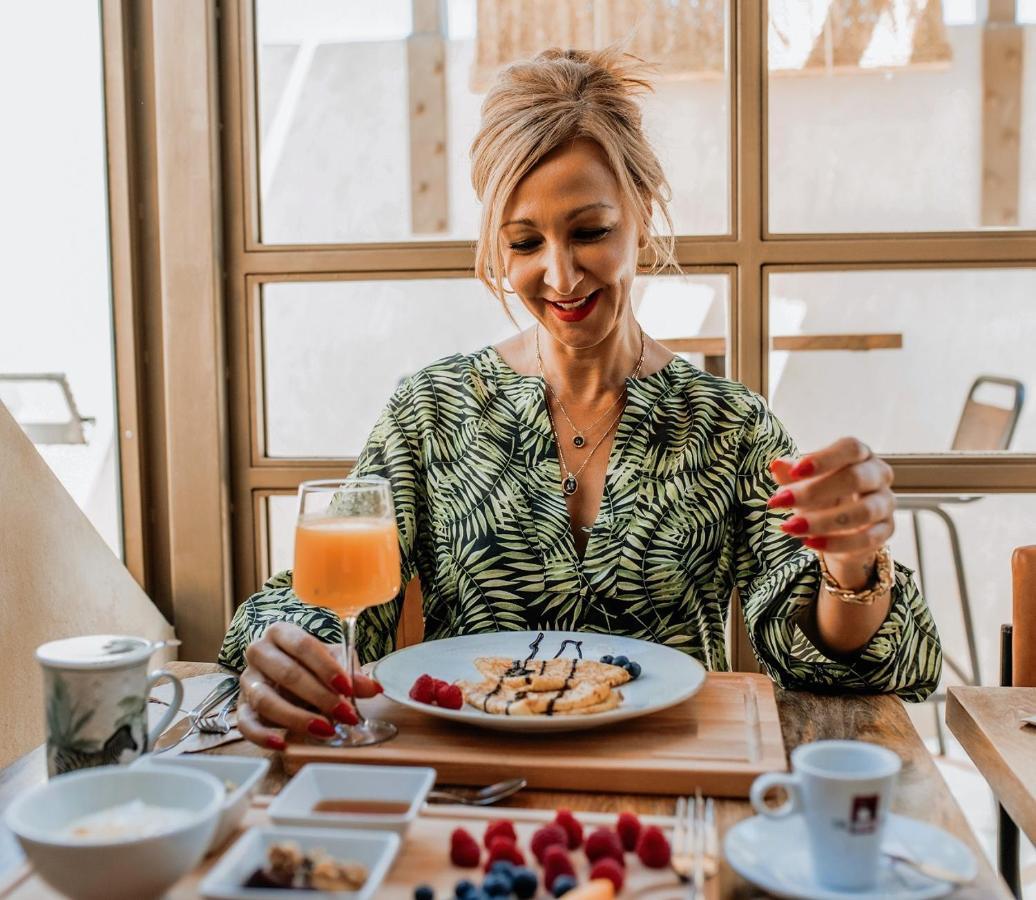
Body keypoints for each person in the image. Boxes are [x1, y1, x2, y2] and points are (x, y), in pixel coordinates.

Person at [219, 47, 941, 750]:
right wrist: (287, 656)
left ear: (643, 213)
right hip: (469, 793)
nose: (560, 276)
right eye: (525, 243)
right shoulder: (433, 411)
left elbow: (838, 660)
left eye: (590, 231)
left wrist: (850, 564)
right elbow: (326, 601)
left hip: (666, 791)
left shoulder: (729, 426)